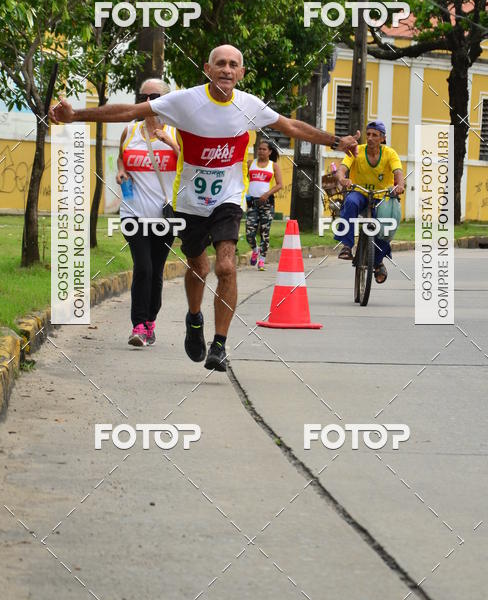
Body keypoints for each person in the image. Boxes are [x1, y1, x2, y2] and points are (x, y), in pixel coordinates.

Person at [49, 45, 359, 372]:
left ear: (241, 73)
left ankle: (220, 345)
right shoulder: (185, 101)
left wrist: (335, 142)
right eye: (220, 64)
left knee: (225, 266)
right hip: (189, 203)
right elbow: (129, 112)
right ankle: (194, 319)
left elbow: (292, 127)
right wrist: (76, 115)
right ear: (207, 69)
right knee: (198, 267)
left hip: (229, 199)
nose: (226, 69)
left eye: (233, 65)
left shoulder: (248, 105)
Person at [117, 79, 180, 347]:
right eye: (142, 96)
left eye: (153, 96)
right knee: (142, 267)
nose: (147, 101)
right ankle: (138, 325)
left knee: (155, 271)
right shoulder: (130, 130)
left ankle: (150, 321)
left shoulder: (178, 132)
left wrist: (172, 144)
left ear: (166, 100)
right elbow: (121, 156)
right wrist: (120, 170)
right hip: (133, 213)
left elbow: (189, 167)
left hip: (165, 215)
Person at [334, 119, 404, 284]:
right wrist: (342, 179)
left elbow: (398, 172)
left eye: (375, 135)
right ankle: (346, 245)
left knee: (388, 223)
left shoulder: (390, 153)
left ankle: (378, 262)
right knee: (350, 202)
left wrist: (400, 185)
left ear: (382, 138)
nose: (371, 138)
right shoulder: (357, 151)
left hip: (382, 196)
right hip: (360, 193)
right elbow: (341, 170)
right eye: (369, 134)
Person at [245, 139, 283, 270]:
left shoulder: (273, 166)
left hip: (267, 203)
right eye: (259, 149)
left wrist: (267, 194)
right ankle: (255, 250)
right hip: (252, 203)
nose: (261, 151)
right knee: (249, 233)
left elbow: (280, 184)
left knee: (264, 233)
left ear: (269, 152)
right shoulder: (251, 163)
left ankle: (262, 260)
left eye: (264, 149)